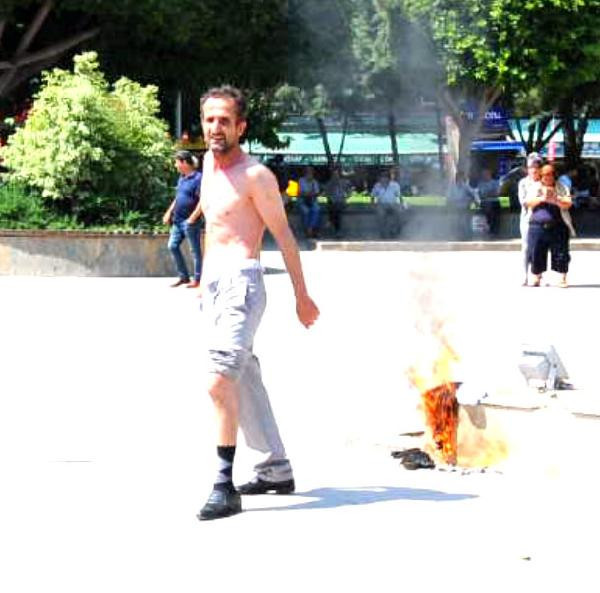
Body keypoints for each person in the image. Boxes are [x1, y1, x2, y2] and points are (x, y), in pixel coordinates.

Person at [196, 86, 320, 521]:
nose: (216, 127)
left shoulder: (257, 176)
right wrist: (201, 280)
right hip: (214, 285)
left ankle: (223, 486)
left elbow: (284, 235)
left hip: (242, 285)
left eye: (224, 120)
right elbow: (213, 227)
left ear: (241, 126)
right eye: (210, 119)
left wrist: (302, 296)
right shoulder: (208, 165)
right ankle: (274, 469)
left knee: (219, 381)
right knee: (244, 379)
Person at [526, 163, 573, 288]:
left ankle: (562, 278)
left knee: (561, 253)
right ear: (541, 176)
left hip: (558, 225)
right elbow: (528, 203)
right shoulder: (535, 187)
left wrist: (555, 199)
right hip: (537, 226)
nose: (547, 177)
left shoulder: (561, 187)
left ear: (554, 175)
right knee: (536, 252)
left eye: (550, 174)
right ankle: (537, 277)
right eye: (544, 175)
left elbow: (568, 203)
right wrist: (542, 198)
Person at [162, 150, 203, 288]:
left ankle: (197, 280)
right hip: (177, 221)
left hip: (190, 222)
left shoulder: (198, 178)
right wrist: (169, 212)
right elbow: (178, 198)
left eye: (177, 162)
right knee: (172, 246)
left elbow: (203, 200)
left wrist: (193, 218)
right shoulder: (182, 178)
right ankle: (184, 277)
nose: (175, 165)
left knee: (195, 251)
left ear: (184, 162)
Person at [518, 153, 542, 286]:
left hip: (542, 220)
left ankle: (538, 275)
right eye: (531, 167)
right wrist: (540, 199)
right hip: (527, 220)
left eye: (536, 166)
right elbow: (524, 202)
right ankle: (524, 275)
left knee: (540, 248)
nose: (533, 169)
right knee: (526, 247)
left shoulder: (545, 181)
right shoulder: (523, 183)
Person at [371, 169, 404, 239]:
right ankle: (383, 233)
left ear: (388, 179)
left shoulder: (395, 185)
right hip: (381, 204)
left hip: (393, 204)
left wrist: (401, 204)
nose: (383, 179)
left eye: (385, 177)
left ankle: (395, 230)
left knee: (399, 213)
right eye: (381, 177)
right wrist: (373, 205)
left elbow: (400, 196)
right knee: (381, 215)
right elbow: (372, 196)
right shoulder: (377, 185)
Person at [447, 170, 477, 240]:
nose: (460, 179)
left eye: (462, 178)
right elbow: (448, 198)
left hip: (465, 209)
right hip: (455, 209)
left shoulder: (466, 187)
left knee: (466, 224)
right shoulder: (452, 187)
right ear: (456, 178)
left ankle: (468, 238)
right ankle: (457, 237)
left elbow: (474, 195)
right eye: (459, 178)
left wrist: (473, 202)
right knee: (456, 223)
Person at [324, 167, 351, 238]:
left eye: (336, 175)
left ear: (339, 175)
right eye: (334, 175)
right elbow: (326, 194)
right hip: (333, 203)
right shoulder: (329, 184)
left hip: (341, 202)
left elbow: (349, 193)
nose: (335, 177)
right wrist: (331, 198)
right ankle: (337, 231)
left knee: (336, 209)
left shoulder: (344, 183)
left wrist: (346, 196)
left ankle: (330, 221)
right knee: (335, 210)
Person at [297, 165, 321, 238]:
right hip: (302, 200)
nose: (309, 172)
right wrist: (310, 193)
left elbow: (317, 193)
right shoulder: (301, 181)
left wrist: (309, 193)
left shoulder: (314, 182)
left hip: (312, 200)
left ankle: (310, 229)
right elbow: (300, 193)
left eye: (311, 171)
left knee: (316, 209)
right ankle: (308, 230)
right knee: (306, 211)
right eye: (308, 171)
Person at [476, 167, 501, 236]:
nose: (484, 176)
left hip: (494, 202)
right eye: (483, 175)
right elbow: (481, 194)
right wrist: (490, 193)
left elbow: (497, 193)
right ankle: (487, 230)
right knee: (484, 208)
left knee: (493, 211)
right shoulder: (480, 184)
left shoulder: (495, 182)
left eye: (486, 174)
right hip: (484, 203)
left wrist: (488, 194)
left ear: (490, 174)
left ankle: (493, 231)